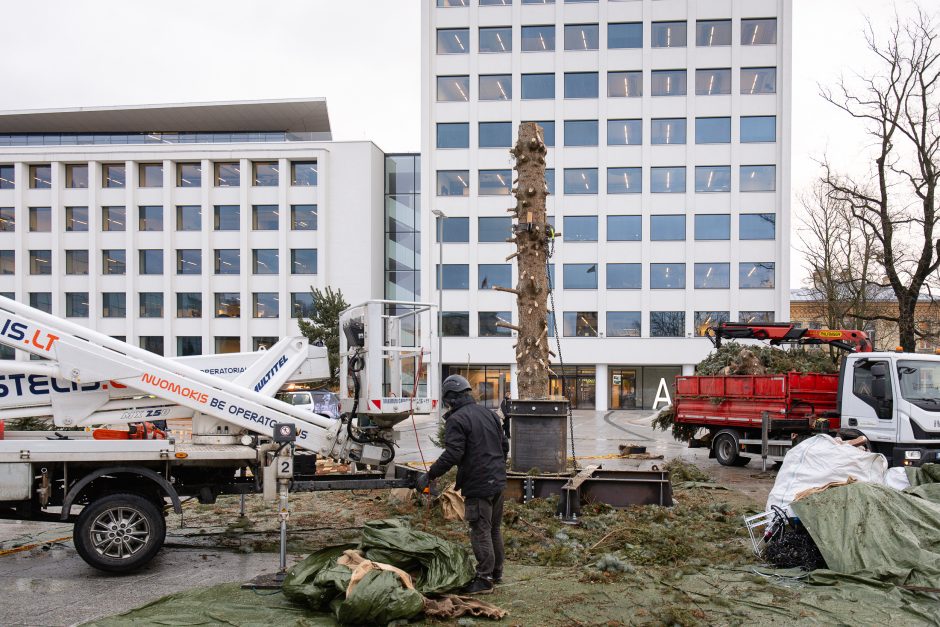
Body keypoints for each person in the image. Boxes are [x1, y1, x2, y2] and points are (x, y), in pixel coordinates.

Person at [416, 375, 508, 595]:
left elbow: (453, 454)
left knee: (480, 530)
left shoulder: (456, 420)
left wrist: (430, 475)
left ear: (452, 398)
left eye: (447, 400)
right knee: (494, 528)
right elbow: (504, 445)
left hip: (479, 483)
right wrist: (495, 468)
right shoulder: (489, 414)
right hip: (498, 481)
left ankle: (484, 580)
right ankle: (496, 572)